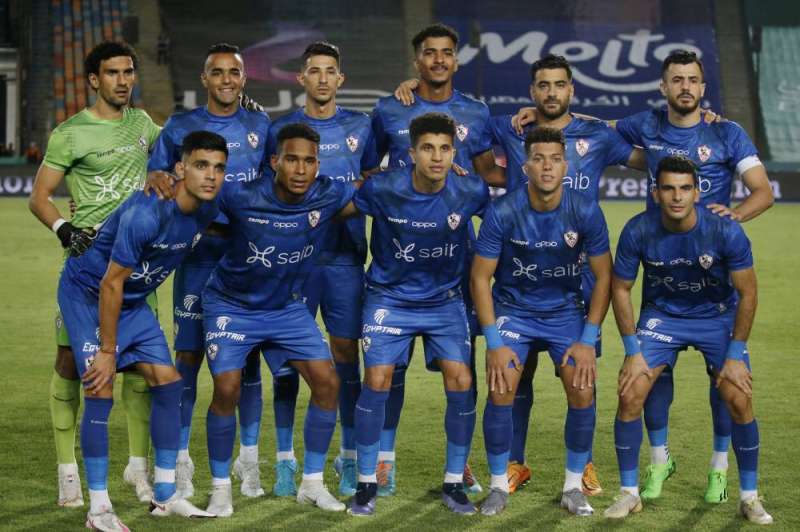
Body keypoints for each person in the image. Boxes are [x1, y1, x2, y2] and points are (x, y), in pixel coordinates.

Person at [512, 49, 774, 503]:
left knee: (727, 382)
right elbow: (594, 128)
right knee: (650, 377)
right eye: (677, 80)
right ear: (663, 86)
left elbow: (763, 192)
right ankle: (658, 460)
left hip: (715, 274)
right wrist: (542, 114)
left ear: (703, 87)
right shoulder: (646, 125)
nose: (685, 87)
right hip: (662, 271)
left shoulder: (726, 132)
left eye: (693, 79)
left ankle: (719, 468)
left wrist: (731, 217)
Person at [486, 53, 645, 495]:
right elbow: (459, 130)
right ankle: (514, 463)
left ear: (571, 89)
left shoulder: (597, 134)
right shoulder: (512, 128)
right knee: (514, 377)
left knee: (581, 377)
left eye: (559, 84)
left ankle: (583, 466)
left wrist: (696, 128)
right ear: (532, 91)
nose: (552, 92)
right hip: (518, 278)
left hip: (578, 283)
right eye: (543, 85)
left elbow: (648, 158)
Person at [57, 130, 228, 530]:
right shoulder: (146, 214)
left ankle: (165, 495)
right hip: (90, 294)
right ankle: (99, 508)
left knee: (168, 383)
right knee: (99, 387)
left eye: (219, 168)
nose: (211, 175)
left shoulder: (209, 208)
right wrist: (108, 351)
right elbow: (110, 283)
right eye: (201, 165)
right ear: (180, 168)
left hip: (131, 301)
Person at [370, 21, 505, 496]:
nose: (439, 60)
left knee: (461, 368)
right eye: (430, 53)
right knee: (391, 368)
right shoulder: (390, 108)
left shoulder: (476, 111)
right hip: (396, 258)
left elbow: (487, 174)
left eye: (447, 52)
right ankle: (383, 461)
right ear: (418, 60)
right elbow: (369, 170)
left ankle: (460, 465)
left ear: (456, 59)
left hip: (453, 261)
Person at [604, 155, 772, 525]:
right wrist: (632, 351)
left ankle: (748, 497)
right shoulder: (638, 229)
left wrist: (734, 355)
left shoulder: (725, 231)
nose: (676, 196)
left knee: (738, 395)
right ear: (655, 193)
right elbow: (620, 288)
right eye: (668, 189)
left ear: (697, 192)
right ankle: (629, 493)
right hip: (662, 317)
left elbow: (748, 294)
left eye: (684, 188)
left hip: (716, 317)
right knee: (630, 391)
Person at [29, 40, 161, 507]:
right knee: (73, 365)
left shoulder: (144, 125)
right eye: (112, 73)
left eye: (128, 72)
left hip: (136, 269)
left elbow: (181, 150)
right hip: (87, 270)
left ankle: (138, 468)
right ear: (93, 80)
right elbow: (39, 197)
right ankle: (68, 472)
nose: (122, 81)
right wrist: (65, 230)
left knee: (141, 371)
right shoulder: (70, 133)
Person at [202, 123, 355, 516]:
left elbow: (383, 192)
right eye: (291, 160)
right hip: (231, 306)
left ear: (318, 164)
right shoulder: (240, 196)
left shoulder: (328, 194)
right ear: (274, 162)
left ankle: (312, 484)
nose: (301, 169)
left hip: (286, 308)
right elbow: (193, 205)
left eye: (309, 161)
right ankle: (220, 489)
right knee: (227, 389)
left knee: (327, 383)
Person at [346, 112, 489, 516]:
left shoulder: (470, 189)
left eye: (445, 149)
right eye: (428, 148)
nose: (437, 157)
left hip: (444, 300)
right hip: (389, 298)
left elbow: (502, 224)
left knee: (461, 380)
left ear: (454, 153)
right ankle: (366, 484)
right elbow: (341, 207)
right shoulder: (383, 188)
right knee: (377, 379)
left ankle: (454, 482)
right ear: (412, 154)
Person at [147, 42, 271, 500]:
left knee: (248, 359)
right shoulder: (180, 127)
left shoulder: (261, 125)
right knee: (189, 357)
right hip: (197, 256)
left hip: (245, 257)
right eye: (217, 72)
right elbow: (156, 178)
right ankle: (181, 461)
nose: (226, 80)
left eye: (233, 72)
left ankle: (249, 460)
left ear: (243, 79)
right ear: (204, 79)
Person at [470, 126, 612, 517]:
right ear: (525, 166)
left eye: (555, 159)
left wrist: (588, 338)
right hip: (514, 311)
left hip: (565, 313)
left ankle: (573, 487)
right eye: (538, 159)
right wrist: (494, 342)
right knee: (501, 386)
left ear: (566, 166)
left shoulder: (584, 210)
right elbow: (480, 277)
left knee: (582, 387)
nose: (547, 166)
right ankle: (498, 486)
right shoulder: (503, 211)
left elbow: (604, 276)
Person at [263, 41, 379, 498]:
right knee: (287, 363)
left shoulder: (361, 126)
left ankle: (348, 457)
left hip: (345, 260)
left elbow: (370, 182)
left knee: (346, 356)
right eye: (315, 71)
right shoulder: (281, 130)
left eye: (331, 71)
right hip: (293, 261)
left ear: (341, 79)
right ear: (302, 78)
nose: (323, 78)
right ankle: (285, 460)